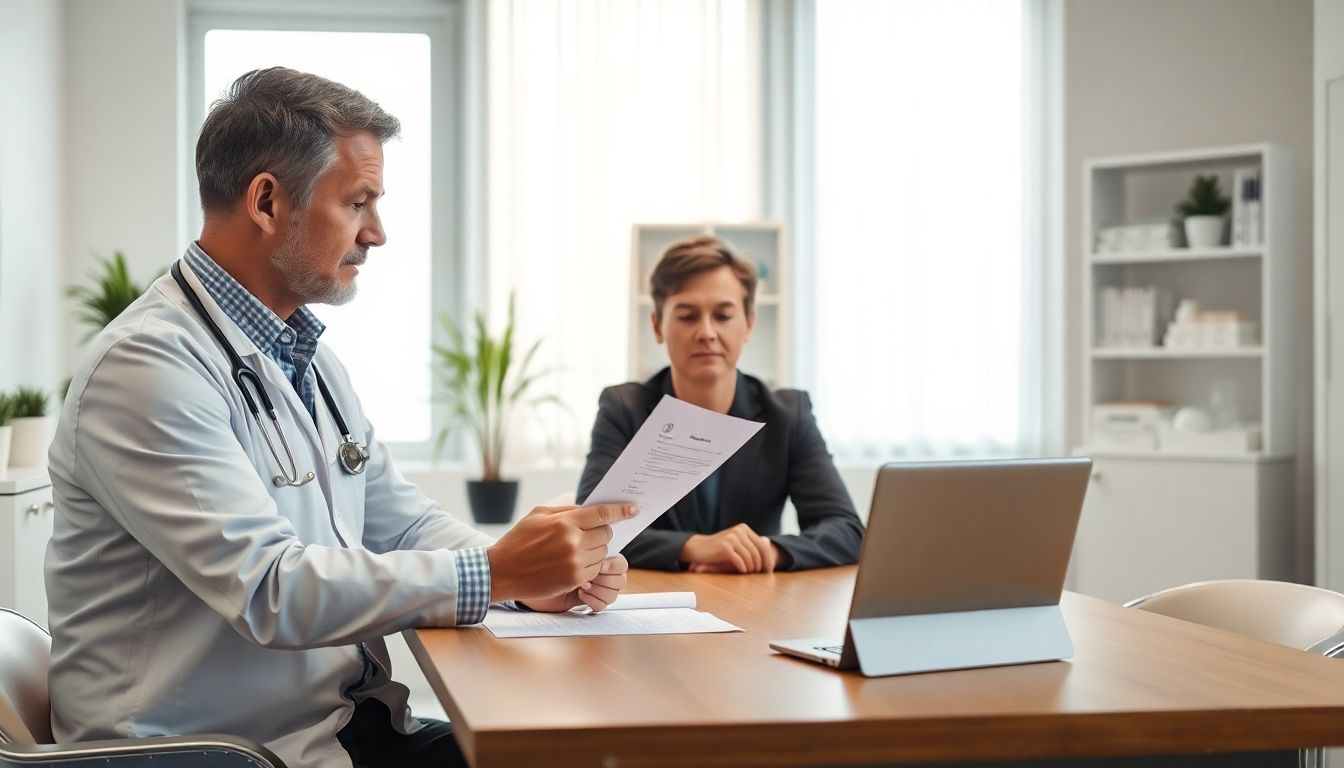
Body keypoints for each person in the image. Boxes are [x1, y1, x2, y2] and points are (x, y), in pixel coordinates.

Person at [45, 67, 634, 768]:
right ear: (268, 201)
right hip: (212, 751)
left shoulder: (307, 359)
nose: (377, 234)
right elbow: (269, 588)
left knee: (562, 749)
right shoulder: (147, 368)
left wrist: (531, 578)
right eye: (358, 203)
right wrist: (495, 574)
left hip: (335, 725)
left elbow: (400, 522)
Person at [577, 235, 863, 573]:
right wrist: (694, 546)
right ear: (657, 326)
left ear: (749, 324)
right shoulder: (624, 409)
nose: (707, 333)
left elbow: (847, 531)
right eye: (688, 316)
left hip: (754, 595)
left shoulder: (788, 414)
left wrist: (769, 552)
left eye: (723, 315)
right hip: (657, 595)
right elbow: (589, 529)